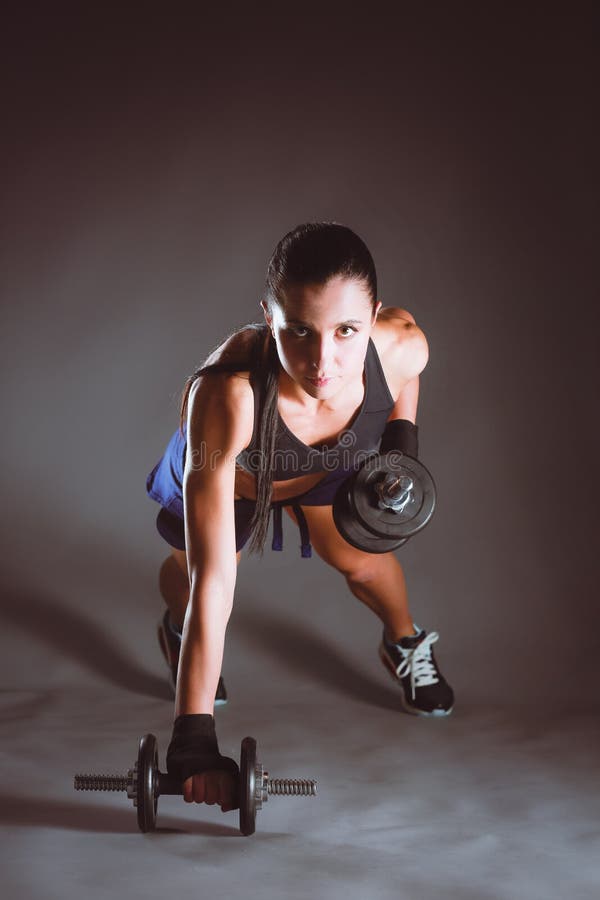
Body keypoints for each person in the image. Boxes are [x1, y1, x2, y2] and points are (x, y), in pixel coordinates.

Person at [145, 222, 454, 814]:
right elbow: (218, 586)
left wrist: (400, 448)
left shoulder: (400, 346)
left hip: (328, 463)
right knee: (194, 583)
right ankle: (176, 633)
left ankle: (403, 643)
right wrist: (194, 738)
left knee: (363, 564)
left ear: (374, 317)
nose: (323, 361)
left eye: (346, 331)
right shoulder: (224, 399)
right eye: (300, 332)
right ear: (269, 317)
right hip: (234, 475)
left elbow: (408, 376)